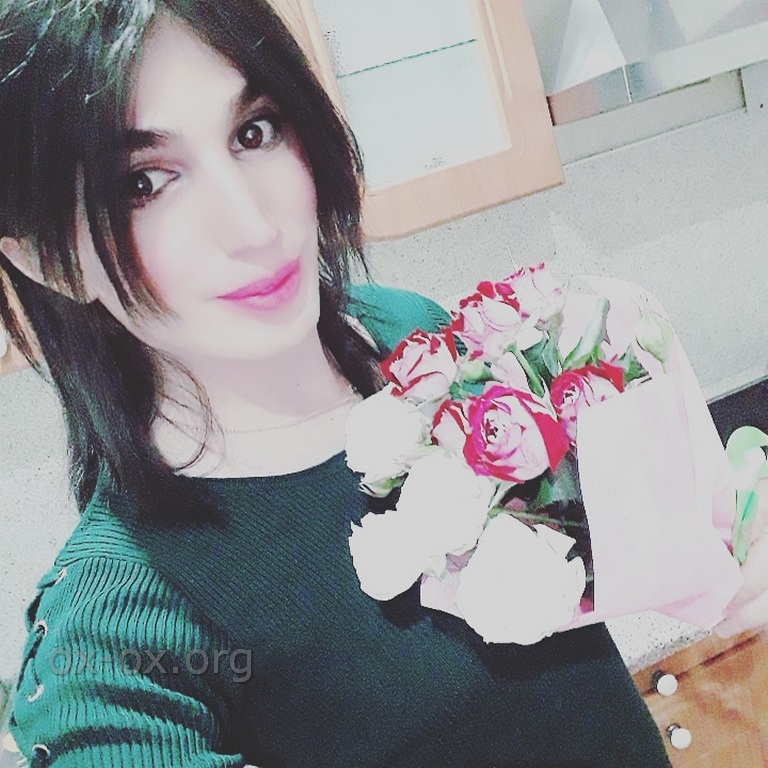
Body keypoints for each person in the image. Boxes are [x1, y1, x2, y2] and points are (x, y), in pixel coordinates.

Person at [0, 1, 708, 765]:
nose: (253, 225)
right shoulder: (117, 631)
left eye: (254, 132)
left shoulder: (410, 337)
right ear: (43, 257)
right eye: (143, 183)